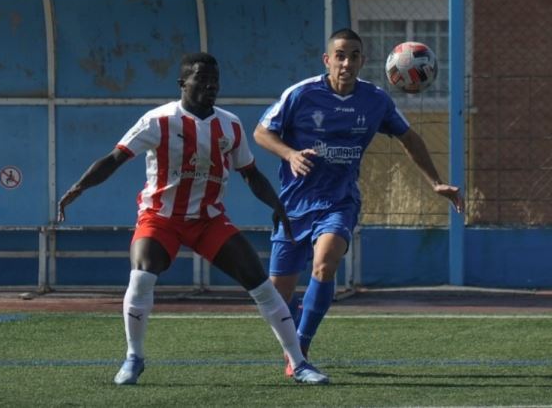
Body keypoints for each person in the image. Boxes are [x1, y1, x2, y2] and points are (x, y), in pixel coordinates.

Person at [57, 52, 329, 385]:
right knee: (142, 275)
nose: (210, 85)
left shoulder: (229, 124)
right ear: (182, 83)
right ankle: (134, 357)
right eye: (201, 78)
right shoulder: (158, 121)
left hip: (208, 219)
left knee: (260, 284)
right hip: (161, 217)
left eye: (214, 80)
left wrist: (277, 205)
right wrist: (78, 188)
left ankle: (299, 364)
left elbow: (251, 173)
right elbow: (115, 158)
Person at [253, 28, 465, 377]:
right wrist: (290, 154)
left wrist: (437, 182)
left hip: (339, 200)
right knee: (277, 295)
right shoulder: (302, 94)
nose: (346, 63)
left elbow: (409, 139)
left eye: (353, 56)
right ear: (327, 60)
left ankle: (300, 349)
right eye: (340, 55)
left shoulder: (375, 100)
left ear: (363, 61)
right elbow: (262, 132)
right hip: (293, 204)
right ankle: (292, 340)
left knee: (325, 262)